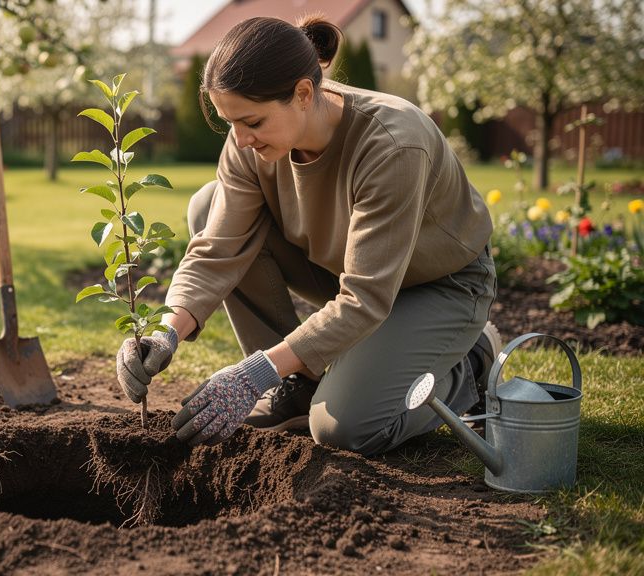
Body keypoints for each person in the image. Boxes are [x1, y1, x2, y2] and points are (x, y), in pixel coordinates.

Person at [115, 14, 502, 456]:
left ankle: (470, 363)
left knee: (345, 429)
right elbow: (218, 248)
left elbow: (366, 297)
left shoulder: (393, 144)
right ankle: (297, 382)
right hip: (345, 271)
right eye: (229, 123)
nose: (240, 140)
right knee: (208, 206)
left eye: (253, 123)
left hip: (438, 285)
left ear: (302, 94)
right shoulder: (250, 142)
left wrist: (251, 374)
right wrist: (166, 332)